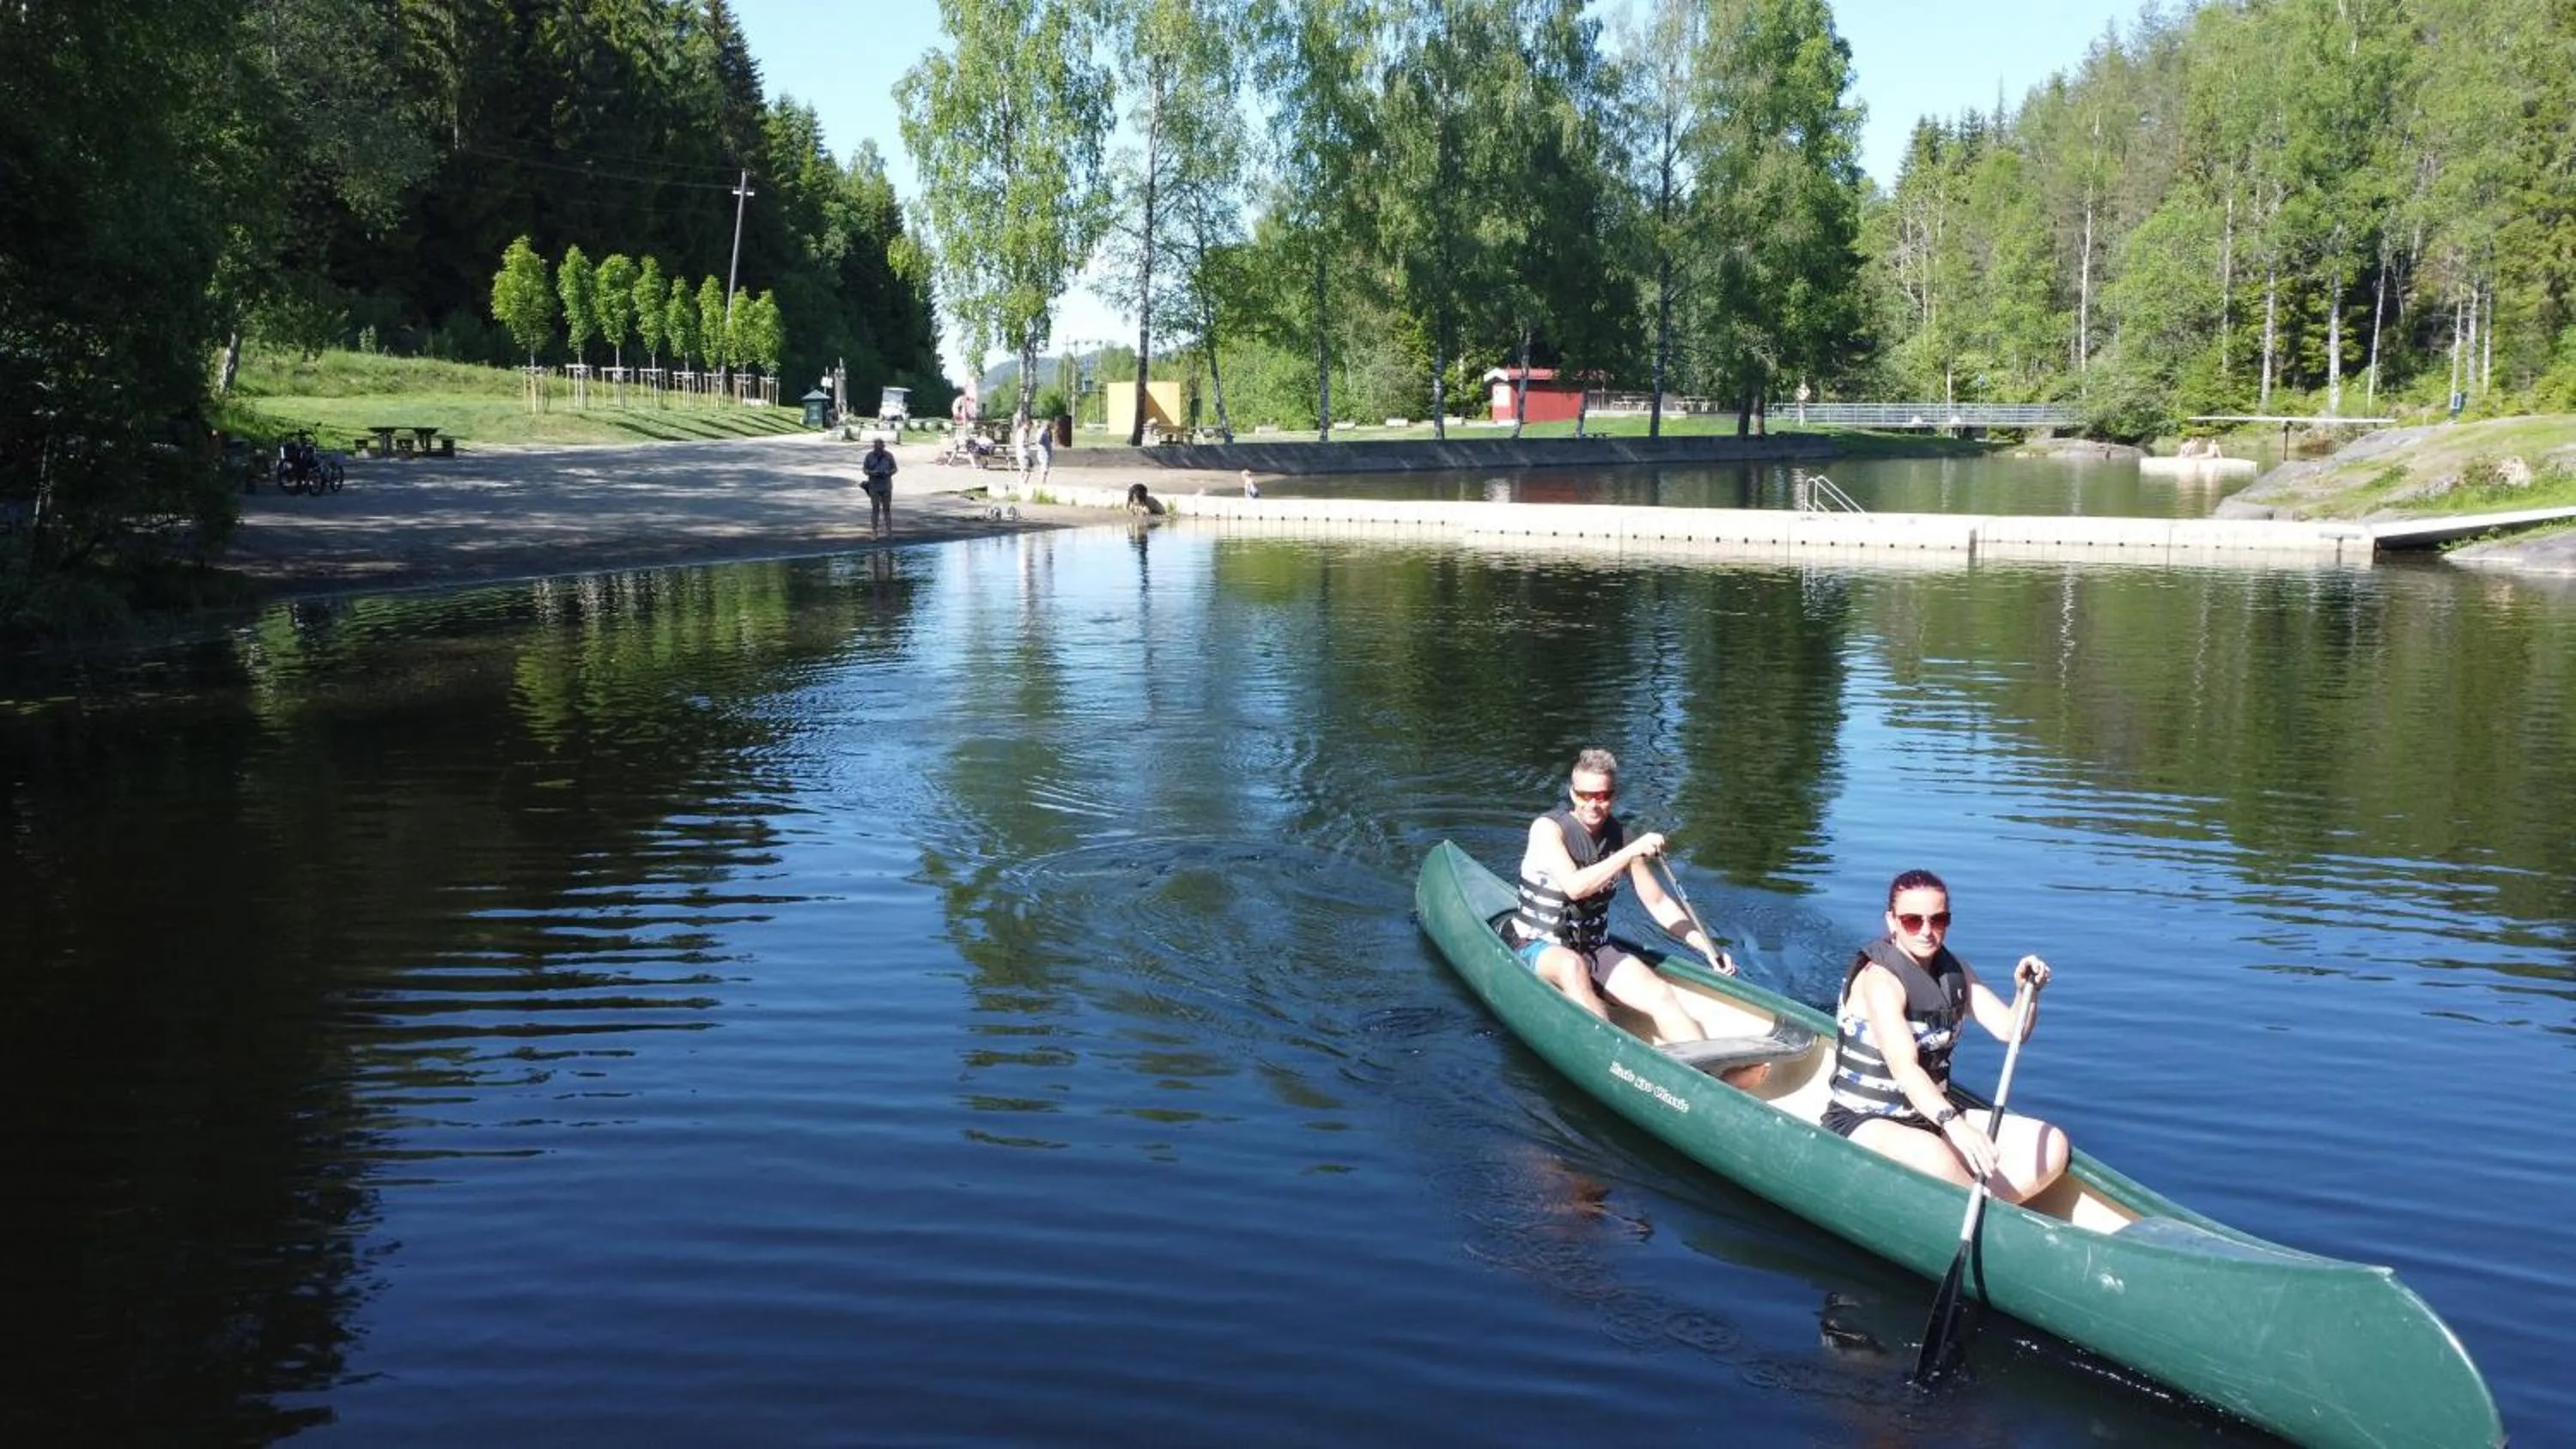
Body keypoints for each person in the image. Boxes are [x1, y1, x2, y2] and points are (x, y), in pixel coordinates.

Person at [1820, 869, 2069, 1204]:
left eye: (1938, 920)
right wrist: (1955, 1125)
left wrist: (2027, 992)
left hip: (1929, 1116)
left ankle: (1984, 1208)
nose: (1927, 931)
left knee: (2051, 1143)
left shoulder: (1955, 972)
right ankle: (1984, 1211)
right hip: (1865, 1120)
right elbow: (1905, 1067)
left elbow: (2012, 1031)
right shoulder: (1880, 980)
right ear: (1891, 921)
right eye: (1912, 920)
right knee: (1933, 1153)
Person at [1504, 748, 1735, 1044]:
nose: (1593, 804)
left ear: (1614, 795)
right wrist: (1631, 851)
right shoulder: (1548, 830)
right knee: (1571, 967)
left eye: (1602, 796)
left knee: (1660, 994)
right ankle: (1613, 1055)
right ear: (1572, 793)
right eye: (1584, 795)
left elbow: (1659, 903)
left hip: (1593, 948)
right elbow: (1575, 886)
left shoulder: (1621, 839)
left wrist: (1707, 949)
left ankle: (1707, 1078)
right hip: (1536, 945)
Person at [860, 437, 896, 533]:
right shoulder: (869, 456)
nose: (879, 449)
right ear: (874, 447)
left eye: (880, 447)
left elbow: (895, 469)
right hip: (874, 486)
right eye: (877, 447)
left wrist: (888, 472)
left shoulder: (889, 456)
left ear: (883, 446)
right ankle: (874, 531)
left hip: (886, 486)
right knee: (875, 509)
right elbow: (864, 470)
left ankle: (889, 531)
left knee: (887, 509)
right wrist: (872, 472)